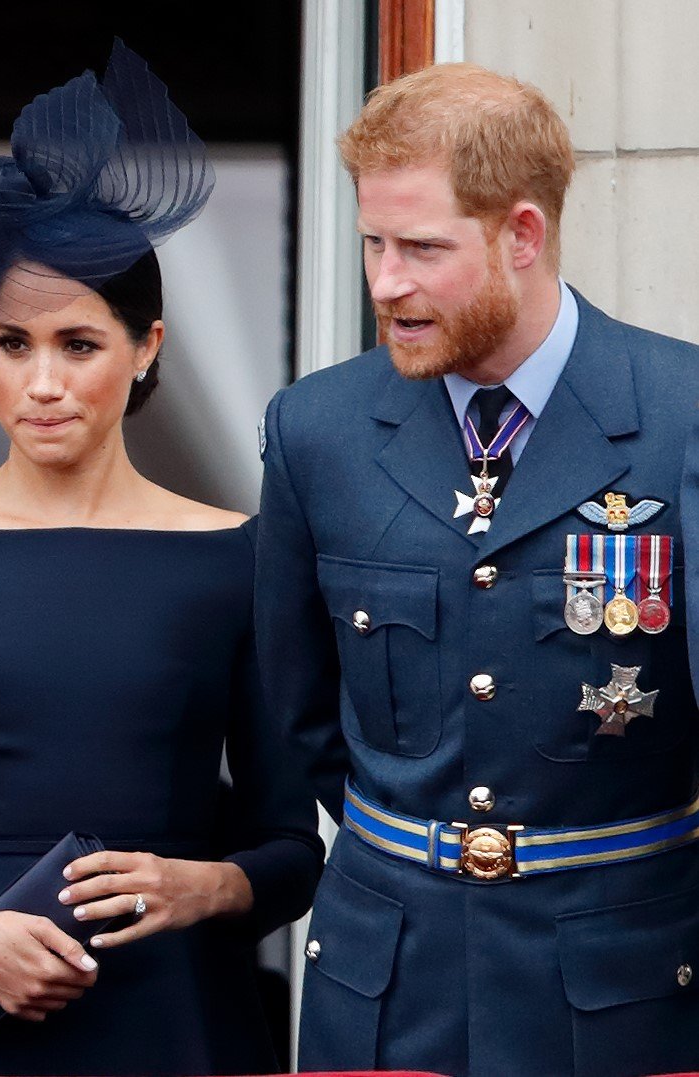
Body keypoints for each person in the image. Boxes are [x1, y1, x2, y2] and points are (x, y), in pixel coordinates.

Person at [0, 41, 323, 1076]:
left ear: (146, 348)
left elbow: (289, 848)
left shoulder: (235, 558)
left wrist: (199, 887)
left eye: (77, 344)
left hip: (172, 1015)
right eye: (11, 344)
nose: (41, 382)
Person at [256, 63, 699, 1077]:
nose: (383, 282)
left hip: (612, 987)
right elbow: (298, 719)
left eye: (421, 248)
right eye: (371, 242)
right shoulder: (315, 429)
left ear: (521, 235)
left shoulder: (676, 416)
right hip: (385, 984)